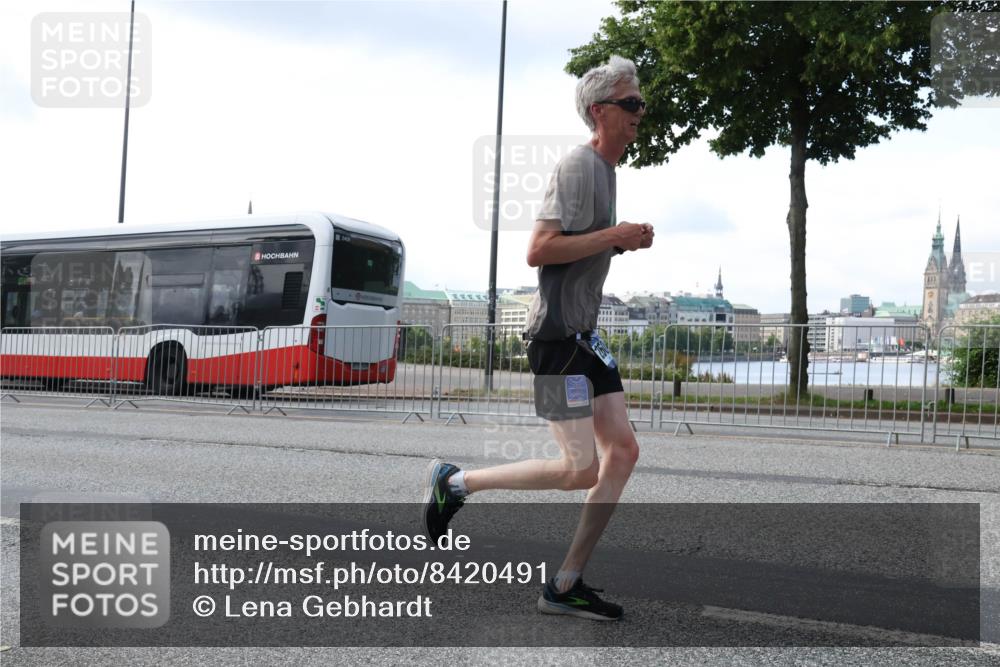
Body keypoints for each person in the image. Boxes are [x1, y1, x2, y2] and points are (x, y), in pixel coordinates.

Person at [422, 55, 653, 621]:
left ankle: (566, 583)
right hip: (556, 341)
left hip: (586, 338)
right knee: (579, 469)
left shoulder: (608, 171)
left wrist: (620, 241)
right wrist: (614, 235)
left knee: (621, 452)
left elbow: (585, 246)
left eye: (640, 103)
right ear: (599, 112)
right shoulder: (578, 165)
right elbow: (538, 250)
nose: (639, 113)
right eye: (629, 104)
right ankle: (457, 483)